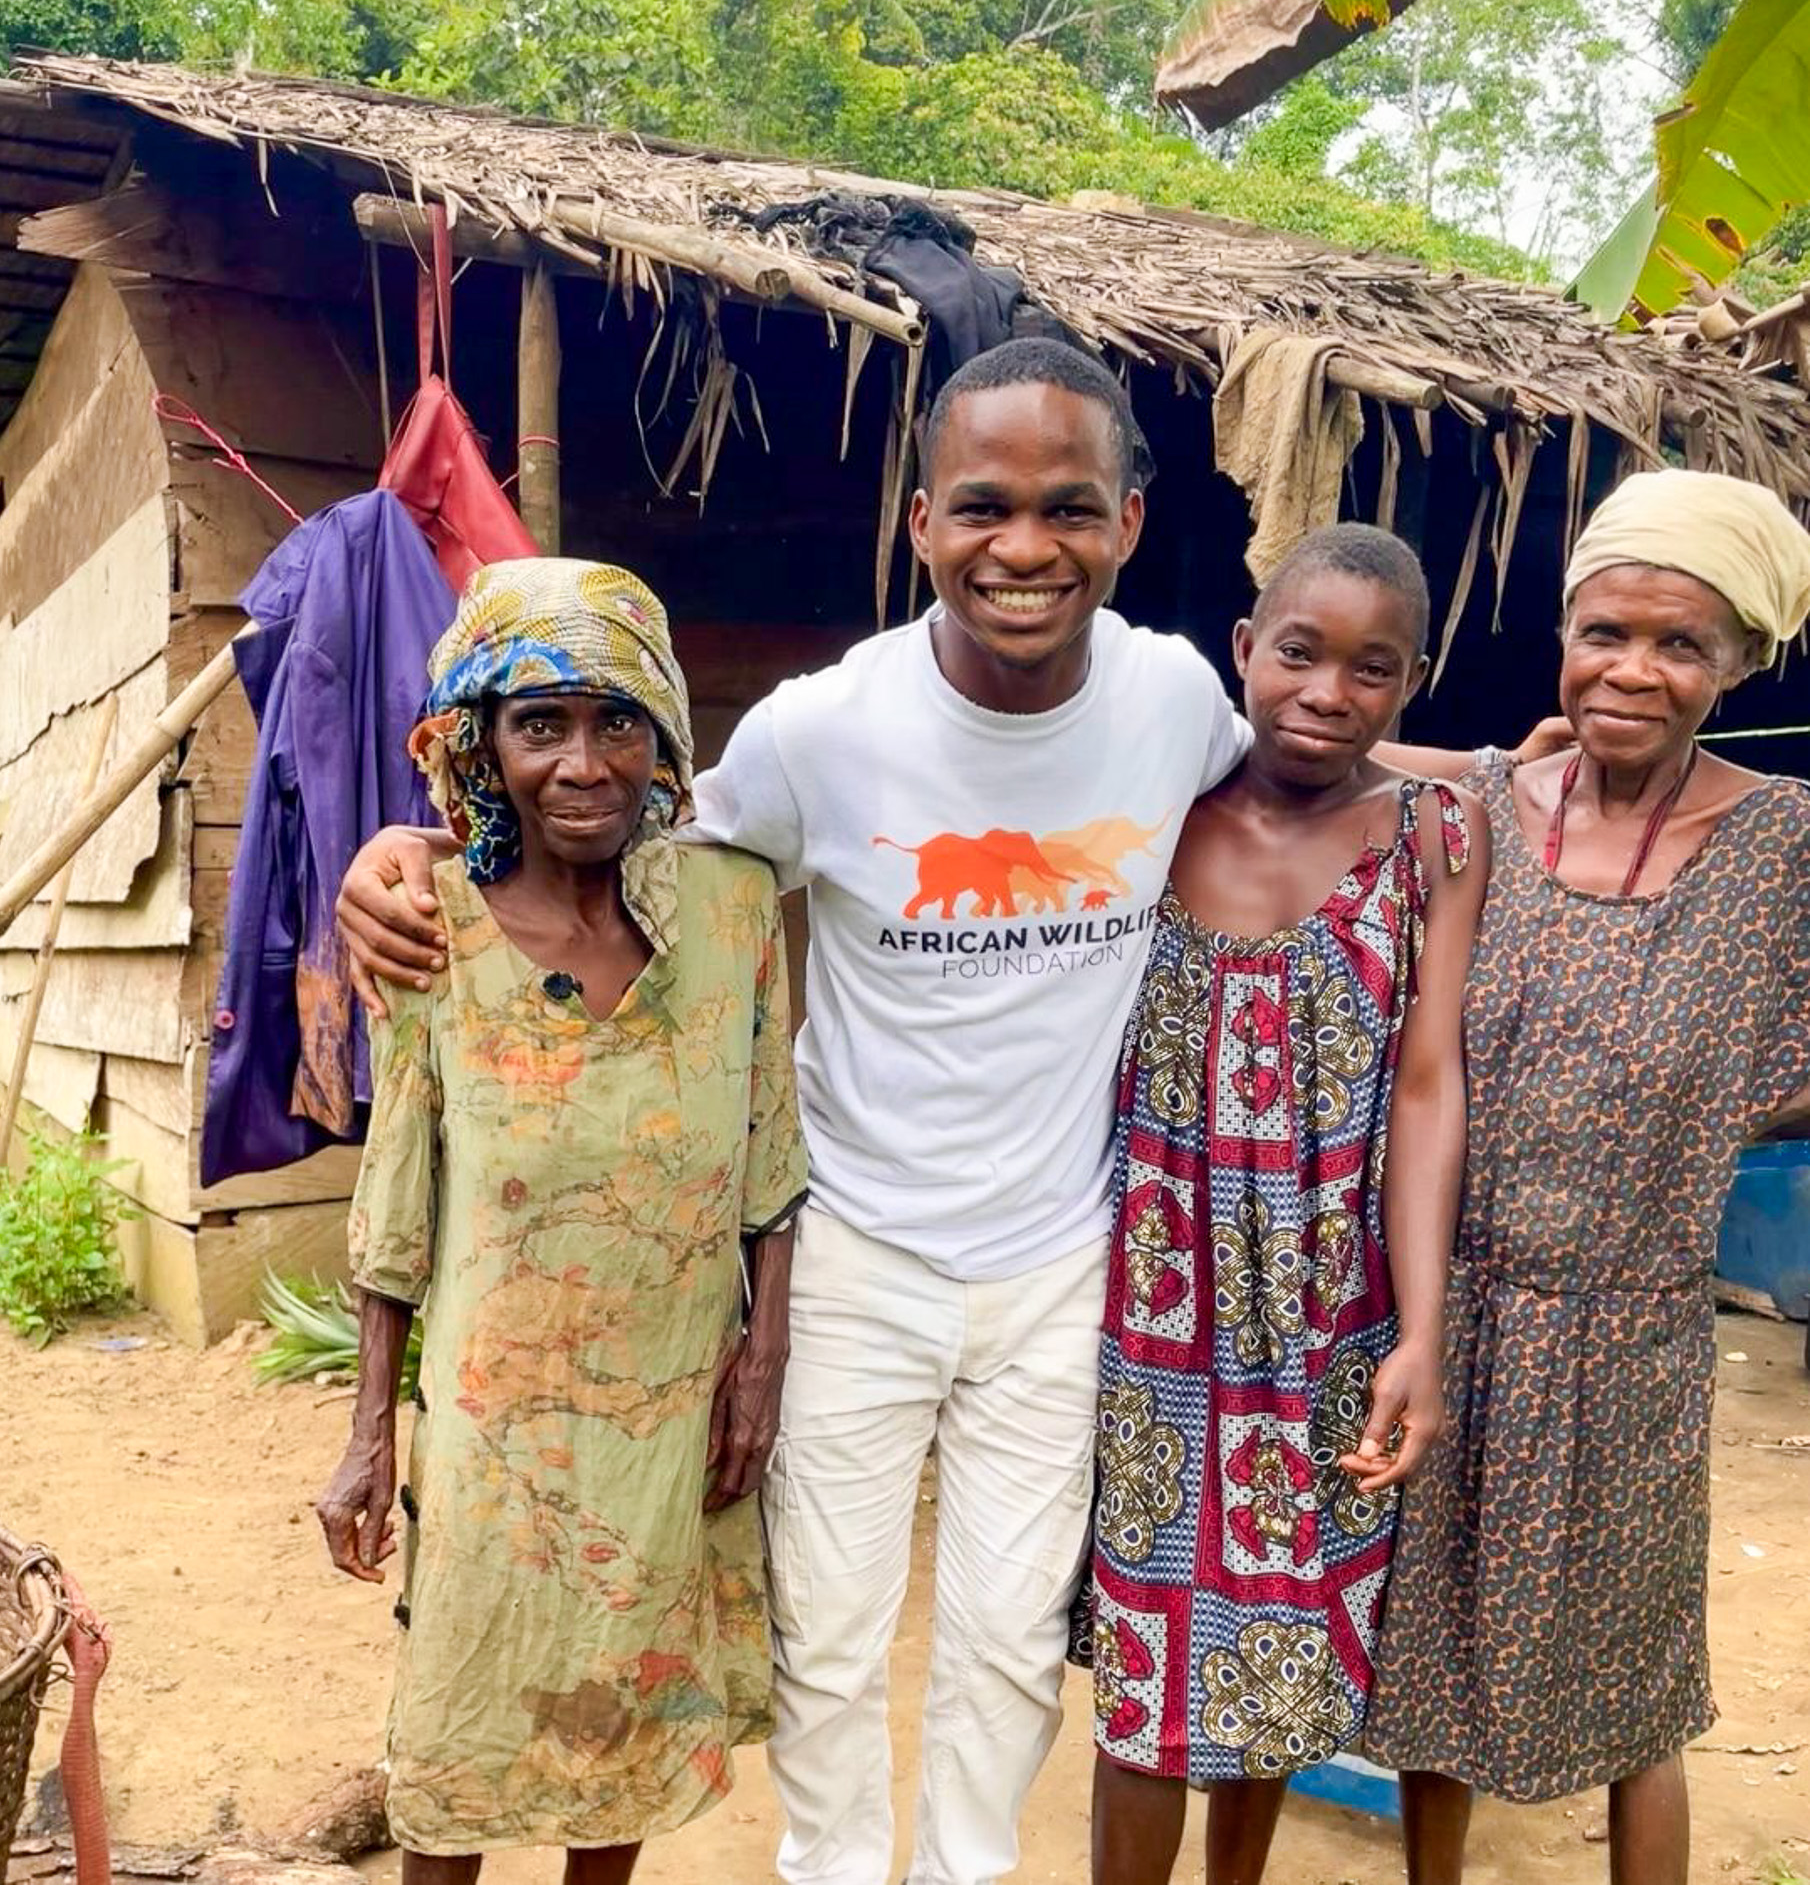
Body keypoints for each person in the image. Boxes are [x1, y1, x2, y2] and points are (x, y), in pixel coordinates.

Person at [336, 338, 1255, 1885]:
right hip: (851, 1253)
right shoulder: (817, 734)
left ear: (1128, 523)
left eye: (1066, 509)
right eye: (980, 507)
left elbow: (1312, 771)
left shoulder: (1174, 698)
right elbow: (601, 816)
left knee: (1010, 1636)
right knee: (825, 1635)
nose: (1021, 547)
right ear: (918, 526)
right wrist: (397, 851)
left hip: (1057, 1257)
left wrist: (1512, 766)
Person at [315, 558, 809, 1883]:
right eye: (540, 726)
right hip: (496, 1436)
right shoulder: (436, 935)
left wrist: (758, 1365)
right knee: (458, 1748)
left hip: (670, 1414)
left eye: (617, 721)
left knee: (623, 1728)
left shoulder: (730, 909)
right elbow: (398, 1206)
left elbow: (770, 1154)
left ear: (662, 740)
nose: (583, 763)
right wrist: (369, 1434)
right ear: (483, 745)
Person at [1361, 470, 1810, 1885]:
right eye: (1605, 632)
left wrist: (1700, 1118)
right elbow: (1310, 756)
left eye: (1680, 646)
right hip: (1450, 1307)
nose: (1633, 670)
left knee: (1634, 1687)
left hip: (1632, 1327)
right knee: (1423, 1667)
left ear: (1740, 666)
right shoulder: (1477, 805)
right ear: (1564, 635)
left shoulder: (1780, 843)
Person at [1081, 525, 1487, 1885]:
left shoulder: (1433, 837)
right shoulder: (1153, 808)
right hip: (1148, 1315)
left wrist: (1415, 1338)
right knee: (1144, 1679)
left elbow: (1428, 1086)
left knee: (1271, 1655)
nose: (1327, 692)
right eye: (1298, 653)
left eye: (1371, 669)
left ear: (1409, 683)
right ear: (1243, 653)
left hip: (1327, 1322)